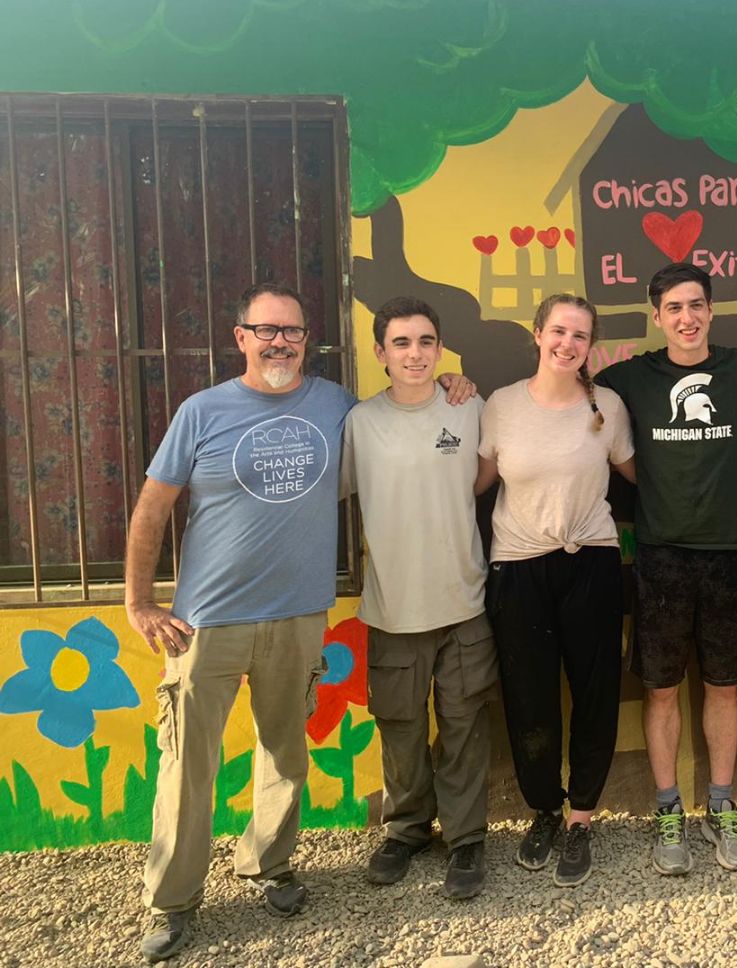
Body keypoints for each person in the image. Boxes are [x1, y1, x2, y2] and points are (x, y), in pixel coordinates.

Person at [123, 281, 472, 962]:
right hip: (207, 622)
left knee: (285, 752)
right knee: (188, 765)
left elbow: (404, 412)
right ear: (242, 337)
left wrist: (456, 380)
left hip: (298, 616)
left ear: (307, 339)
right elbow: (151, 508)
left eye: (291, 331)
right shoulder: (202, 412)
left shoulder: (337, 407)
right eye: (266, 330)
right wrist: (139, 601)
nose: (279, 341)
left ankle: (270, 864)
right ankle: (172, 901)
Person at [595, 262, 737, 875]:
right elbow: (573, 387)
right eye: (674, 307)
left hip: (729, 551)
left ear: (711, 309)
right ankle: (668, 809)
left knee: (723, 683)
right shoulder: (630, 377)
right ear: (657, 316)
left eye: (696, 304)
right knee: (660, 687)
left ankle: (721, 805)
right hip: (661, 553)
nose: (687, 317)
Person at [476, 293, 635, 888]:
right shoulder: (501, 405)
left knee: (596, 693)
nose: (568, 344)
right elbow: (477, 481)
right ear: (538, 334)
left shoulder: (609, 406)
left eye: (580, 336)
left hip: (590, 562)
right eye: (559, 331)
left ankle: (581, 818)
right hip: (518, 567)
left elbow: (641, 473)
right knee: (529, 697)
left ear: (590, 346)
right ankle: (543, 808)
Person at [343, 296, 494, 901]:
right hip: (393, 608)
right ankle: (406, 829)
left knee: (463, 725)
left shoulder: (469, 407)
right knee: (400, 727)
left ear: (441, 349)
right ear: (380, 353)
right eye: (401, 343)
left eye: (426, 342)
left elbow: (483, 480)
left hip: (464, 601)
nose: (415, 353)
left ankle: (465, 838)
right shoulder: (358, 422)